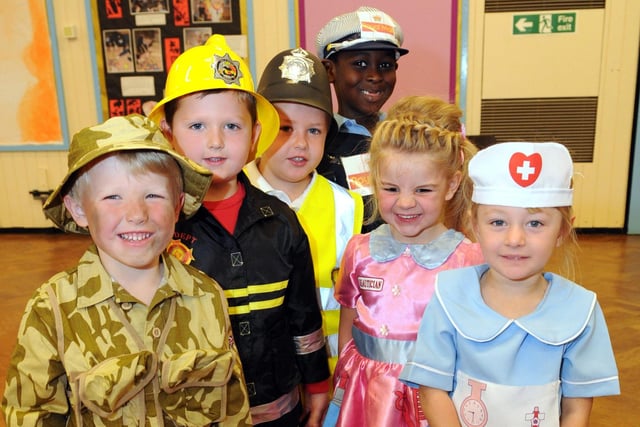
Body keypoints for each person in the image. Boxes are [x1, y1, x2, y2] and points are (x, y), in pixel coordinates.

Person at [1, 114, 252, 426]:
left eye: (153, 195)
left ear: (177, 205)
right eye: (112, 197)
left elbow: (233, 410)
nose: (136, 214)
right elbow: (29, 416)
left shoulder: (207, 295)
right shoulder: (51, 309)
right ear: (78, 209)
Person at [148, 35, 331, 427]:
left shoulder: (281, 222)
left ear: (253, 136)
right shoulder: (156, 225)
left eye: (231, 125)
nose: (215, 141)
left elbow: (304, 317)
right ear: (168, 132)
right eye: (197, 125)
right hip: (189, 413)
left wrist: (317, 384)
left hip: (278, 410)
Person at [400, 142, 621, 426]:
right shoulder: (449, 295)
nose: (515, 239)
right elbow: (432, 390)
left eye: (535, 224)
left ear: (563, 230)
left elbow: (577, 406)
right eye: (498, 222)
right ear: (475, 225)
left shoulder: (580, 308)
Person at [324, 96, 484, 427]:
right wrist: (343, 376)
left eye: (424, 190)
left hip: (434, 398)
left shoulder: (468, 259)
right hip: (365, 394)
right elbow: (348, 321)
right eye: (391, 188)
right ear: (373, 182)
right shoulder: (360, 251)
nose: (406, 202)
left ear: (451, 185)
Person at [245, 47, 364, 374]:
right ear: (258, 129)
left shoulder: (346, 206)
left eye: (314, 130)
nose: (300, 143)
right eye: (285, 128)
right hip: (252, 381)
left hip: (329, 380)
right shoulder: (230, 196)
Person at [315, 6, 409, 231]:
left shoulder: (408, 135)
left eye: (385, 65)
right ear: (330, 70)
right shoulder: (318, 141)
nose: (375, 76)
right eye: (360, 64)